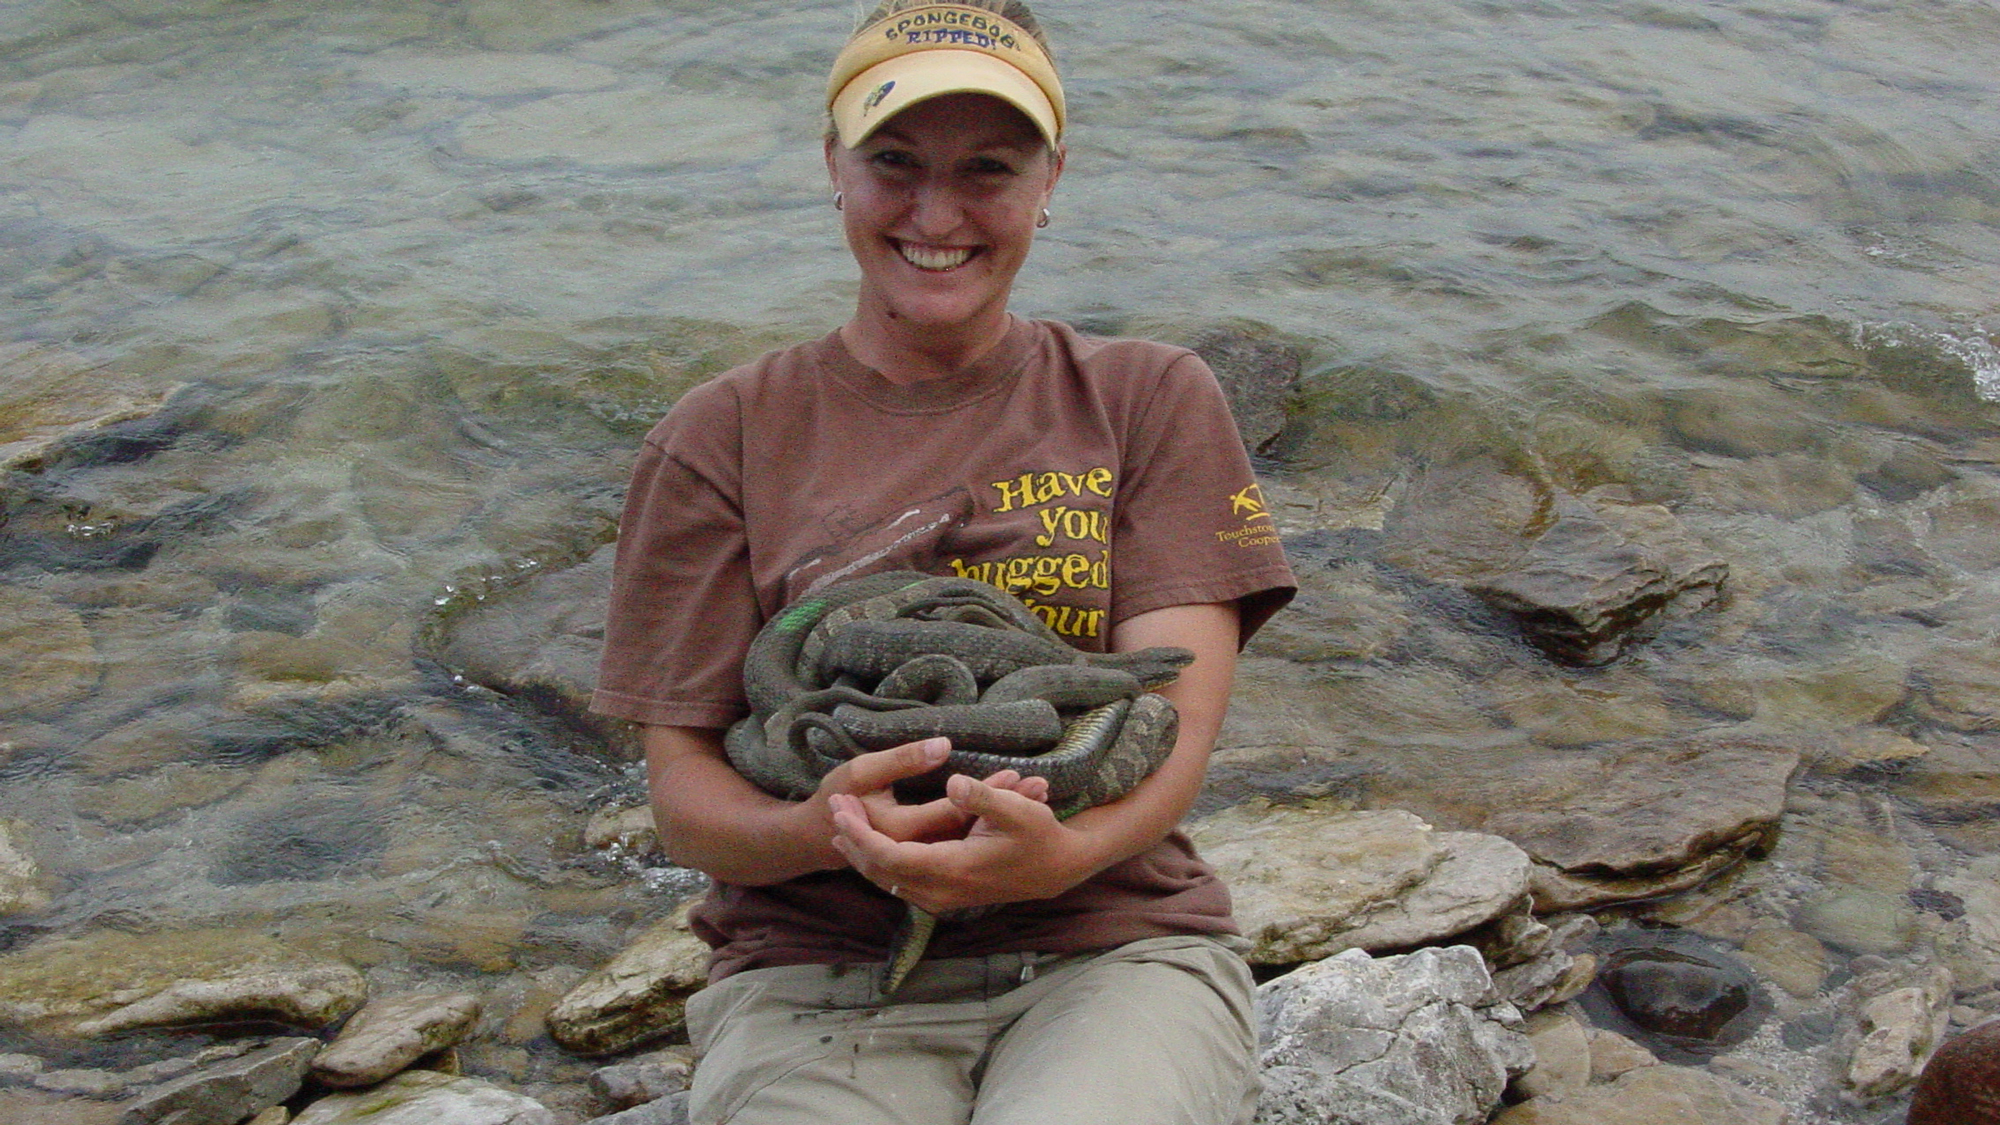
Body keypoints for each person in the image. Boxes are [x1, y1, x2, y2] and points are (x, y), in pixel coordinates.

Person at [590, 2, 1296, 1122]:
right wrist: (823, 829)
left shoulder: (1149, 398)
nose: (935, 212)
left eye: (986, 169)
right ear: (831, 163)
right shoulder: (717, 434)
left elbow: (1168, 732)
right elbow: (685, 800)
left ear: (1050, 180)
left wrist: (1054, 861)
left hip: (1108, 945)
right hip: (815, 977)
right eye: (893, 163)